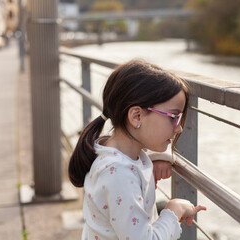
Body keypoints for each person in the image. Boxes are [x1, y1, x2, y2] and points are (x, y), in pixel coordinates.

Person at [68, 59, 206, 240]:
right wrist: (174, 210)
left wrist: (154, 158)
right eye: (174, 117)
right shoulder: (119, 174)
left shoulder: (112, 153)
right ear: (136, 116)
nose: (178, 128)